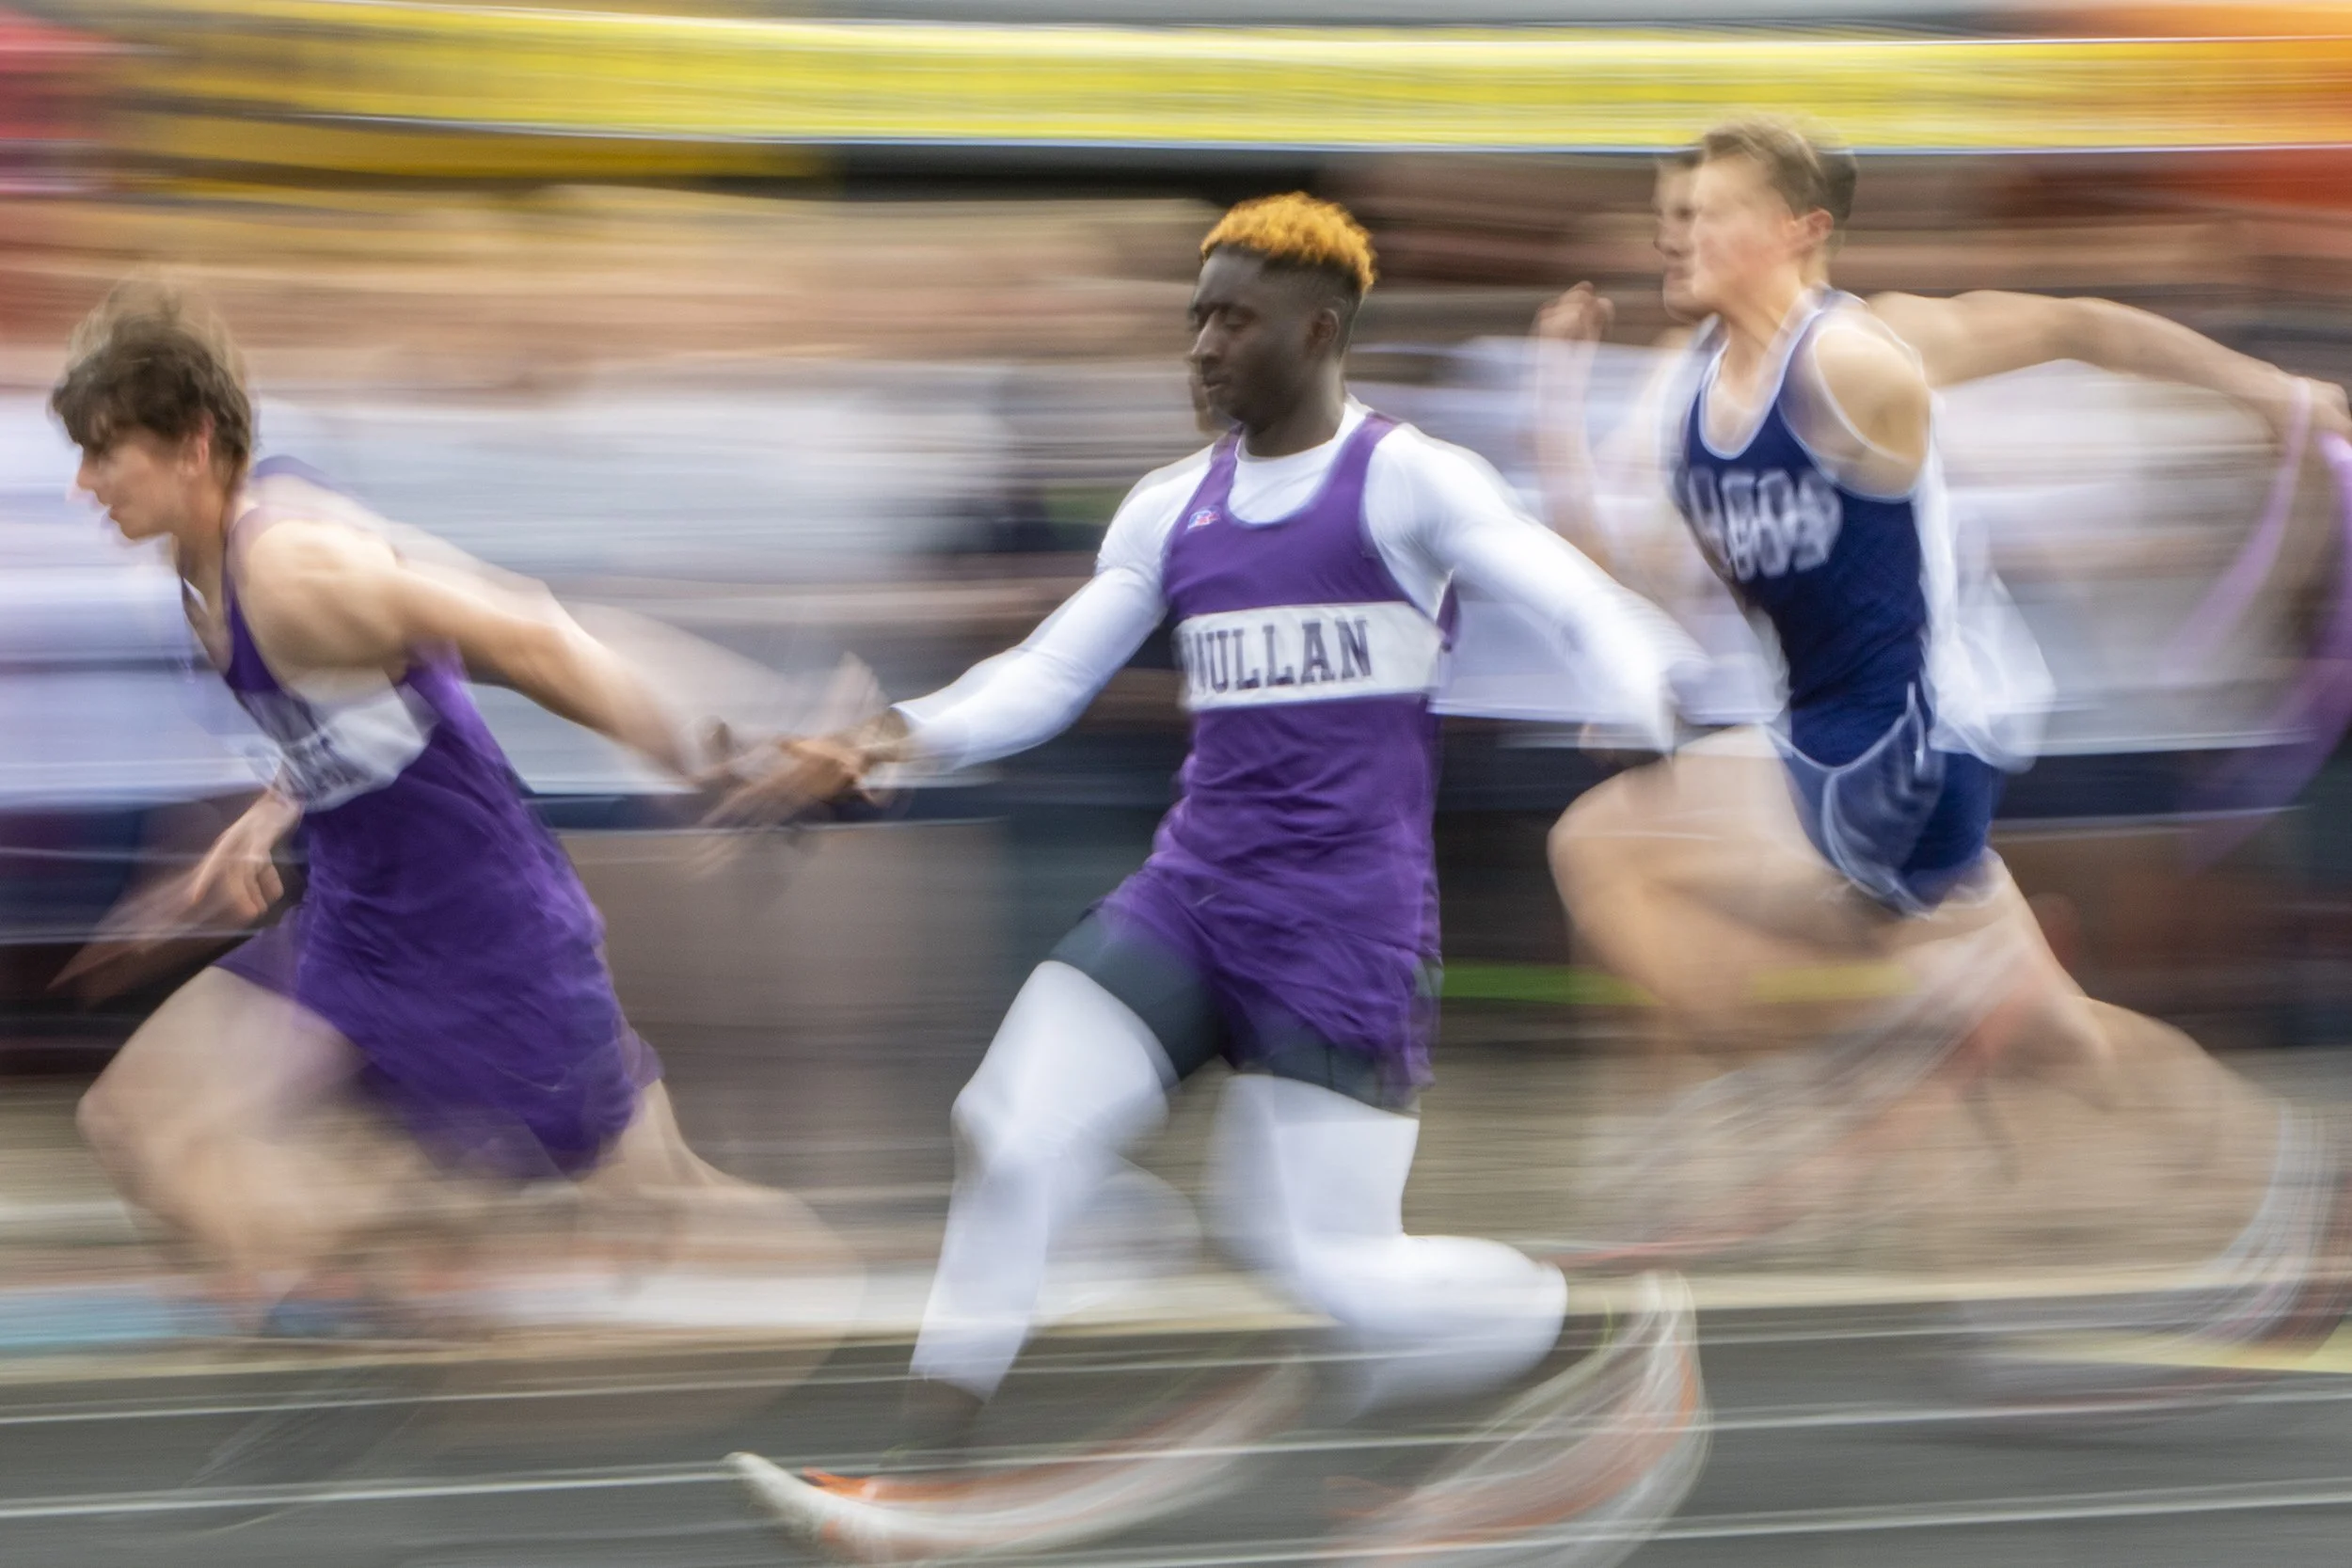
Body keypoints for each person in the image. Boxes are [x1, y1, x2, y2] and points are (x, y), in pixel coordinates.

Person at [720, 194, 1710, 1561]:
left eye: (1229, 319)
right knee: (1007, 1129)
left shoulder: (1408, 479)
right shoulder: (1173, 504)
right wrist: (888, 739)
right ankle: (917, 1484)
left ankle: (1597, 1319)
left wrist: (1641, 682)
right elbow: (1047, 675)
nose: (1197, 346)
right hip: (1191, 894)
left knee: (1332, 1269)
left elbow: (1563, 588)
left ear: (1319, 330)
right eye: (1193, 315)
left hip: (1342, 932)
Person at [1534, 121, 2351, 1366]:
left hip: (1909, 743)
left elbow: (2085, 323)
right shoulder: (1676, 385)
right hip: (1818, 737)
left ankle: (1838, 1080)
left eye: (1708, 212)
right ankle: (2294, 1183)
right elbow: (1624, 574)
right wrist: (1553, 414)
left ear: (1801, 231)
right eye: (1670, 210)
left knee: (1605, 844)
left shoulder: (1862, 351)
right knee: (2053, 1031)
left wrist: (2268, 388)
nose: (1674, 232)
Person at [50, 283, 851, 1329]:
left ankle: (855, 1325)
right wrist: (270, 810)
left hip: (487, 934)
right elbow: (356, 709)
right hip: (361, 922)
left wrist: (714, 755)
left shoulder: (294, 564)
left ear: (192, 443)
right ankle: (345, 1355)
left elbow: (530, 632)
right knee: (135, 1123)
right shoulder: (200, 569)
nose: (83, 484)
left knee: (656, 1204)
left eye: (107, 452)